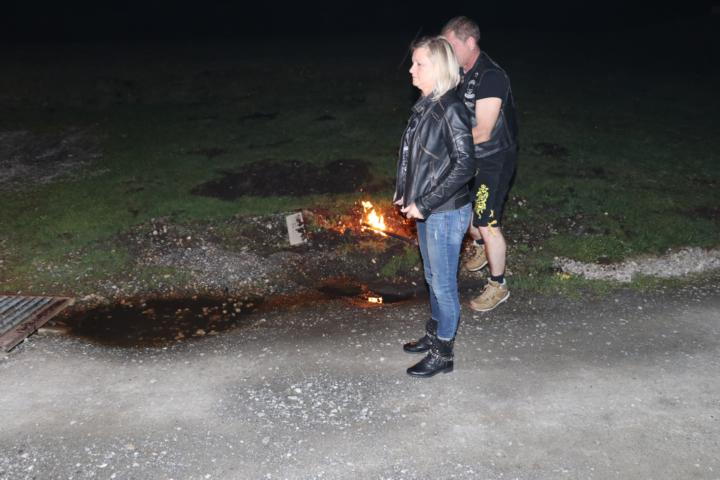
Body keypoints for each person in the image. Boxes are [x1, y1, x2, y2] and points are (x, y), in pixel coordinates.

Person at [394, 36, 475, 377]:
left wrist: (425, 202)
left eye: (419, 64)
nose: (411, 70)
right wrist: (407, 193)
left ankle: (443, 354)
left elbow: (465, 164)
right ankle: (435, 333)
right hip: (428, 208)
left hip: (445, 210)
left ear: (438, 67)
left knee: (443, 284)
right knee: (432, 277)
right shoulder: (427, 104)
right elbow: (419, 158)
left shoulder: (449, 108)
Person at [442, 16, 519, 312]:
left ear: (470, 42)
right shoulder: (460, 72)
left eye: (451, 45)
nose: (447, 52)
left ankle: (498, 285)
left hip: (493, 160)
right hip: (471, 157)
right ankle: (479, 246)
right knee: (464, 214)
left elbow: (484, 131)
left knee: (486, 221)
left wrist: (443, 147)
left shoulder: (491, 76)